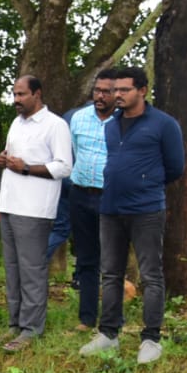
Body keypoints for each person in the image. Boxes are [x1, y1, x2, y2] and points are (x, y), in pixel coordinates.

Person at [82, 66, 185, 364]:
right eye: (115, 90)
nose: (117, 95)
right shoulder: (111, 125)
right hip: (111, 208)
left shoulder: (164, 124)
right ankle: (108, 334)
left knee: (151, 275)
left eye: (124, 90)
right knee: (111, 273)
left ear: (142, 90)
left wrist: (144, 183)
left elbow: (175, 167)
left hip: (147, 210)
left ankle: (151, 338)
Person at [0, 75, 73, 352]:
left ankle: (31, 328)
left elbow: (64, 167)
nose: (16, 100)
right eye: (14, 94)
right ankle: (14, 325)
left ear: (37, 94)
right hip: (9, 203)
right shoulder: (17, 123)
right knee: (13, 268)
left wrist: (27, 167)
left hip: (35, 207)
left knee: (31, 269)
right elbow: (15, 159)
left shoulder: (56, 125)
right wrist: (4, 160)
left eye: (22, 94)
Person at [63, 72, 114, 329]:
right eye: (97, 90)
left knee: (113, 259)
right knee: (86, 258)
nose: (100, 96)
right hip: (81, 194)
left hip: (111, 197)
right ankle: (87, 317)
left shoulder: (124, 121)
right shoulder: (78, 119)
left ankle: (112, 319)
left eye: (106, 91)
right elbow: (71, 151)